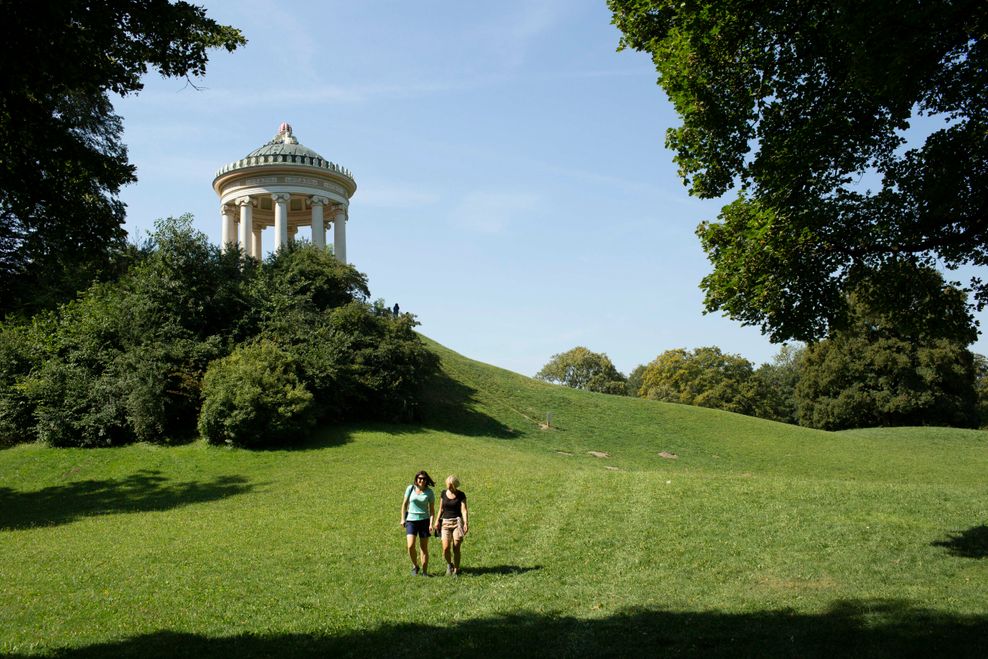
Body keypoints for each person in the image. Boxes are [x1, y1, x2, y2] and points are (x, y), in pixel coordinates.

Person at [400, 470, 435, 576]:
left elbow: (432, 510)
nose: (422, 480)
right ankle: (415, 566)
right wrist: (402, 518)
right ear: (416, 479)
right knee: (410, 546)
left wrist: (431, 524)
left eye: (424, 479)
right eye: (420, 478)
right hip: (411, 520)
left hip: (424, 521)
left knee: (424, 548)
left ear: (426, 480)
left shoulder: (429, 492)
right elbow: (404, 505)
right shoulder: (410, 488)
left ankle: (424, 572)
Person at [433, 474, 469, 576]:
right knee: (445, 548)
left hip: (457, 522)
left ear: (455, 485)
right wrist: (436, 521)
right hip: (445, 523)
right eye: (447, 485)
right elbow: (441, 509)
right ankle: (449, 564)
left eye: (451, 486)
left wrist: (466, 523)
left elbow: (464, 510)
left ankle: (456, 570)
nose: (449, 488)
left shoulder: (461, 495)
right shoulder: (443, 493)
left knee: (456, 546)